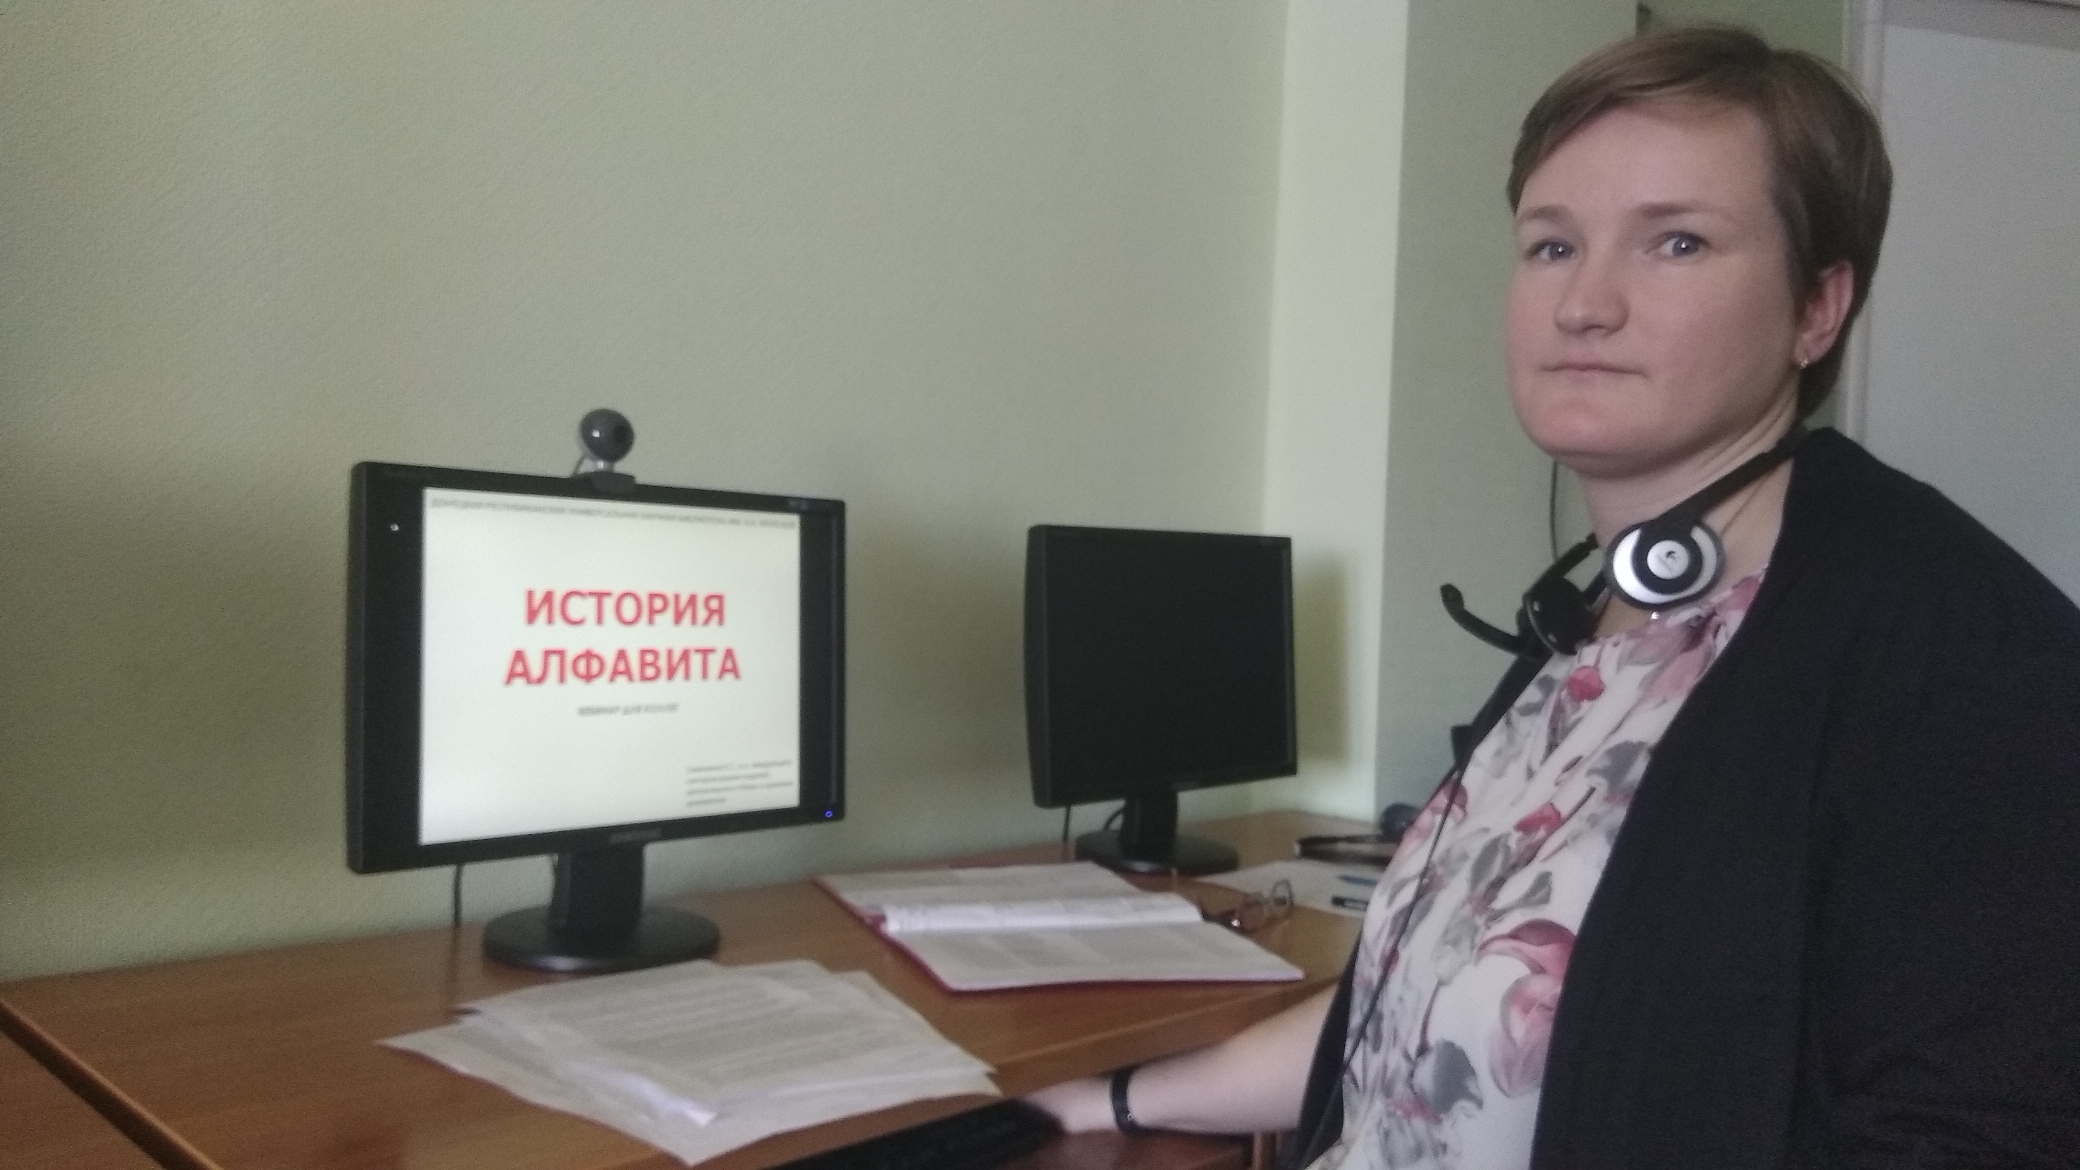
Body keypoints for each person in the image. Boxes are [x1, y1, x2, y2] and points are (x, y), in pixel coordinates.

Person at [1028, 24, 2080, 1169]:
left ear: (1816, 308)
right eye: (1550, 245)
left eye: (1676, 242)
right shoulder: (1589, 629)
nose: (1584, 303)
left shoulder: (1971, 665)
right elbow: (1419, 1008)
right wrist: (1120, 1099)